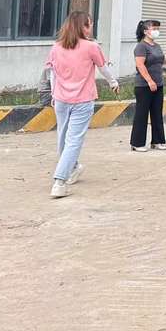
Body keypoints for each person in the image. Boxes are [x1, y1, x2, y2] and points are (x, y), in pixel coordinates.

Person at [40, 11, 119, 198]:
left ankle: (73, 167)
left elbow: (52, 74)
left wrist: (53, 93)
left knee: (63, 138)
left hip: (60, 99)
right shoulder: (91, 47)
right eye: (89, 24)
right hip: (82, 101)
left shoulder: (56, 47)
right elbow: (103, 68)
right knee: (73, 141)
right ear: (82, 27)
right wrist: (113, 82)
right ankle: (59, 181)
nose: (91, 27)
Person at [131, 19, 166, 151]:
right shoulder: (141, 47)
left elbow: (159, 61)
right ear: (146, 31)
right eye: (154, 28)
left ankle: (157, 141)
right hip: (144, 86)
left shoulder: (156, 46)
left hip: (158, 84)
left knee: (157, 113)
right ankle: (137, 143)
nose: (157, 31)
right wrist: (149, 81)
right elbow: (140, 65)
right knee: (142, 114)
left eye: (158, 28)